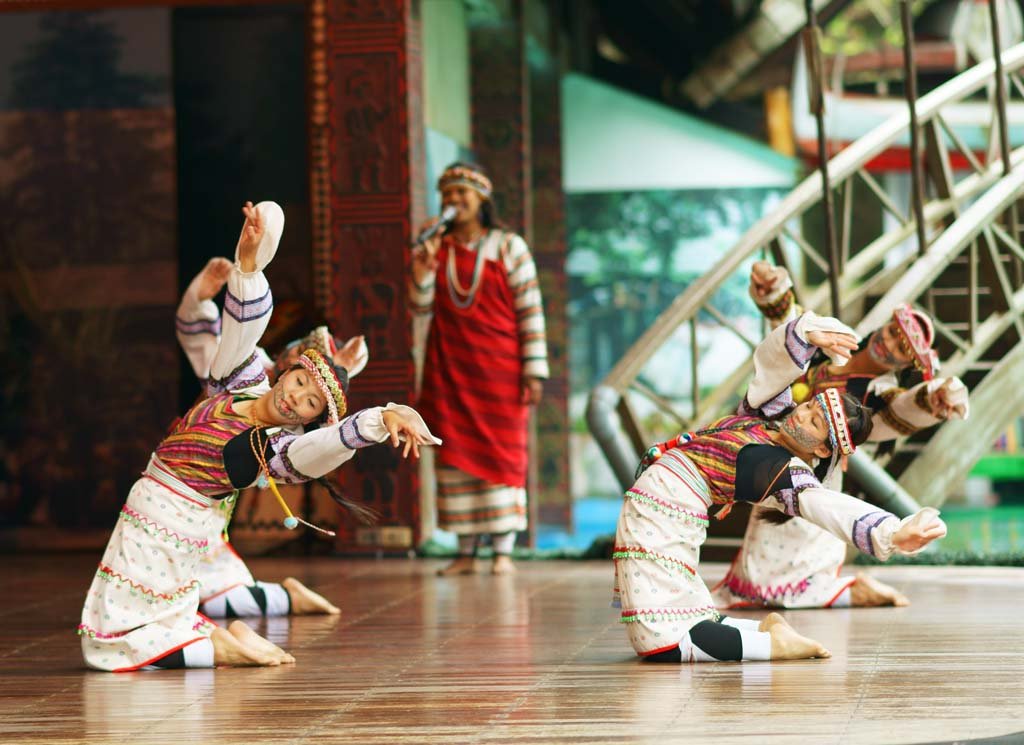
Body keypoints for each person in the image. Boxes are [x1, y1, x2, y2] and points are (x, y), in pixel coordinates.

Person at [79, 201, 439, 671]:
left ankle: (222, 647)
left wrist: (377, 421)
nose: (295, 398)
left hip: (170, 511)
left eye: (309, 403)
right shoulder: (240, 377)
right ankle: (235, 629)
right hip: (174, 514)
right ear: (286, 370)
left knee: (113, 637)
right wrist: (248, 265)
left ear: (311, 418)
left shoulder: (279, 449)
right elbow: (236, 330)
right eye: (298, 381)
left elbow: (324, 446)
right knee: (189, 601)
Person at [613, 309, 947, 663]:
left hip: (665, 506)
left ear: (822, 449)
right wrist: (803, 331)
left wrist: (891, 532)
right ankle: (763, 633)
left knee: (659, 639)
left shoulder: (780, 470)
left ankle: (772, 646)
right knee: (677, 615)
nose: (801, 414)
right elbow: (771, 368)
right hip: (664, 503)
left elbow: (822, 503)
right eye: (808, 407)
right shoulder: (766, 413)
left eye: (815, 421)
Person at [711, 262, 969, 610]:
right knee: (764, 549)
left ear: (905, 365)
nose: (888, 342)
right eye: (892, 331)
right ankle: (834, 591)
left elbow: (901, 410)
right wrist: (774, 289)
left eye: (900, 347)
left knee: (791, 554)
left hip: (811, 470)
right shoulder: (836, 341)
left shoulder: (879, 393)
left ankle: (843, 590)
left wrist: (934, 398)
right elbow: (793, 328)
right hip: (775, 448)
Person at [175, 259, 369, 618]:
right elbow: (203, 339)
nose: (298, 390)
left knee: (196, 591)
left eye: (312, 392)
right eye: (298, 358)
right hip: (181, 471)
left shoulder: (294, 413)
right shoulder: (248, 367)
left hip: (202, 494)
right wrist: (200, 299)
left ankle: (284, 599)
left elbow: (315, 444)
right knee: (194, 588)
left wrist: (348, 385)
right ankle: (285, 598)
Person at [409, 162, 548, 575]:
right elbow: (418, 307)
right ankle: (466, 551)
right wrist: (422, 270)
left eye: (461, 194)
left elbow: (530, 309)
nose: (453, 201)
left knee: (503, 453)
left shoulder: (509, 246)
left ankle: (503, 550)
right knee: (451, 452)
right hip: (450, 370)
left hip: (500, 371)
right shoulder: (440, 250)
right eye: (447, 195)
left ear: (481, 200)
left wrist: (533, 370)